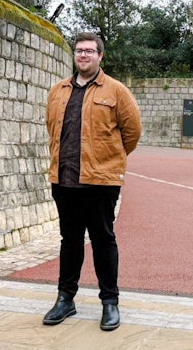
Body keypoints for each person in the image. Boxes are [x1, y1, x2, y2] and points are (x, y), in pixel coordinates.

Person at [41, 32, 142, 332]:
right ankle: (65, 299)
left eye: (89, 51)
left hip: (101, 181)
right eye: (79, 51)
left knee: (102, 240)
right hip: (64, 179)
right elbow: (52, 128)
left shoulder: (116, 91)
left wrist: (109, 159)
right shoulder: (58, 91)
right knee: (69, 240)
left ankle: (109, 302)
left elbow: (132, 132)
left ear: (100, 56)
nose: (83, 55)